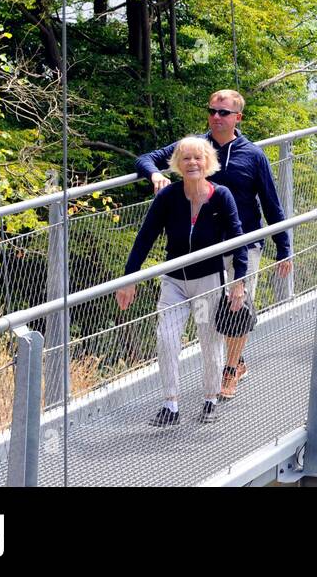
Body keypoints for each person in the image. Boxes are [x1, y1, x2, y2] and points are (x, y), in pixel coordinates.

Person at [135, 90, 291, 401]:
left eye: (224, 112)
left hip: (243, 244)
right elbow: (146, 158)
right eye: (213, 111)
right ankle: (228, 361)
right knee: (211, 315)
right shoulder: (195, 149)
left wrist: (284, 249)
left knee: (236, 307)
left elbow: (272, 205)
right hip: (204, 248)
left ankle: (230, 370)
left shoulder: (253, 155)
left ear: (238, 118)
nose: (217, 117)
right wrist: (155, 176)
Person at [118, 136, 248, 427]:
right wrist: (129, 279)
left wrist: (240, 280)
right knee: (166, 338)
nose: (192, 163)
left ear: (208, 162)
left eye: (198, 158)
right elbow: (145, 238)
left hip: (207, 283)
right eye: (186, 158)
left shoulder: (221, 195)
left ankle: (210, 399)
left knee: (208, 340)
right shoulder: (169, 197)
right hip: (175, 283)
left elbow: (239, 238)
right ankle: (170, 404)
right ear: (177, 164)